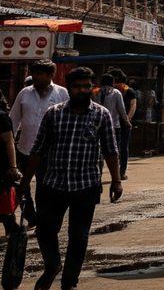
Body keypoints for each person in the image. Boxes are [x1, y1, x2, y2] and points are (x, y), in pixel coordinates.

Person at [19, 66, 122, 290]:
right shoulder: (54, 113)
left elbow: (110, 150)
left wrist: (116, 180)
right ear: (68, 87)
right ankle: (52, 266)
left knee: (79, 237)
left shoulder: (101, 114)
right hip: (53, 184)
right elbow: (38, 150)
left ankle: (69, 282)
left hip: (86, 185)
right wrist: (26, 181)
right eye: (77, 86)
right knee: (45, 231)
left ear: (92, 88)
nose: (82, 90)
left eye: (86, 86)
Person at [11, 60, 68, 192]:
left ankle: (42, 211)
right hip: (25, 149)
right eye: (33, 73)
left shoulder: (62, 94)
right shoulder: (24, 93)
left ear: (51, 75)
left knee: (45, 186)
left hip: (50, 152)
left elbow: (66, 121)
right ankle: (28, 210)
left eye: (39, 73)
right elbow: (14, 120)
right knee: (22, 185)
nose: (35, 76)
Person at [93, 75, 130, 190]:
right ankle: (117, 174)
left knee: (98, 151)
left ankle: (98, 176)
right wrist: (126, 121)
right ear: (113, 82)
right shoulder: (116, 93)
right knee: (114, 151)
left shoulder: (96, 92)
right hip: (114, 125)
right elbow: (121, 109)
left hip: (97, 125)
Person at [0, 95, 19, 235]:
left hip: (1, 168)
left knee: (5, 207)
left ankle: (14, 234)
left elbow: (9, 142)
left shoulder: (1, 118)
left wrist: (13, 167)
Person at [114, 74, 138, 181]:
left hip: (111, 123)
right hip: (124, 123)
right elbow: (133, 106)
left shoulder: (107, 91)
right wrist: (127, 119)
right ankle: (122, 172)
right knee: (123, 147)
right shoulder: (129, 91)